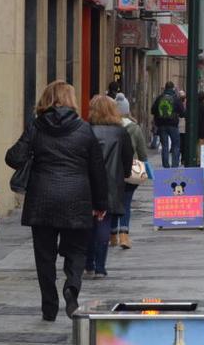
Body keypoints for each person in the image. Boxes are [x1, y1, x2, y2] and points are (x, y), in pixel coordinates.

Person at [6, 81, 108, 321]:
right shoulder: (84, 129)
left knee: (44, 256)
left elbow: (13, 158)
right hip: (76, 198)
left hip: (42, 199)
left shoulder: (36, 127)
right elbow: (97, 170)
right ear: (71, 100)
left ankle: (49, 307)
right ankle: (71, 289)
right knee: (77, 250)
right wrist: (101, 204)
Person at [86, 96, 133, 277]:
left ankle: (89, 264)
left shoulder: (87, 130)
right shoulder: (121, 133)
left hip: (89, 183)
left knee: (89, 225)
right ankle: (100, 267)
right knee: (104, 222)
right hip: (112, 184)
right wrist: (125, 173)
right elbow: (127, 159)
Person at [112, 93, 149, 249]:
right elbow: (143, 154)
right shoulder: (134, 128)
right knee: (126, 204)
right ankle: (124, 236)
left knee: (112, 203)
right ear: (127, 110)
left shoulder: (109, 126)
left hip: (111, 172)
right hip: (130, 172)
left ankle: (112, 236)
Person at [151, 82, 185, 168]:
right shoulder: (175, 98)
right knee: (176, 145)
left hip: (162, 125)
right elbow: (182, 112)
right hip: (173, 125)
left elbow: (153, 110)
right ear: (173, 88)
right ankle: (174, 165)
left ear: (165, 88)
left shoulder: (160, 98)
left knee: (165, 146)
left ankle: (166, 166)